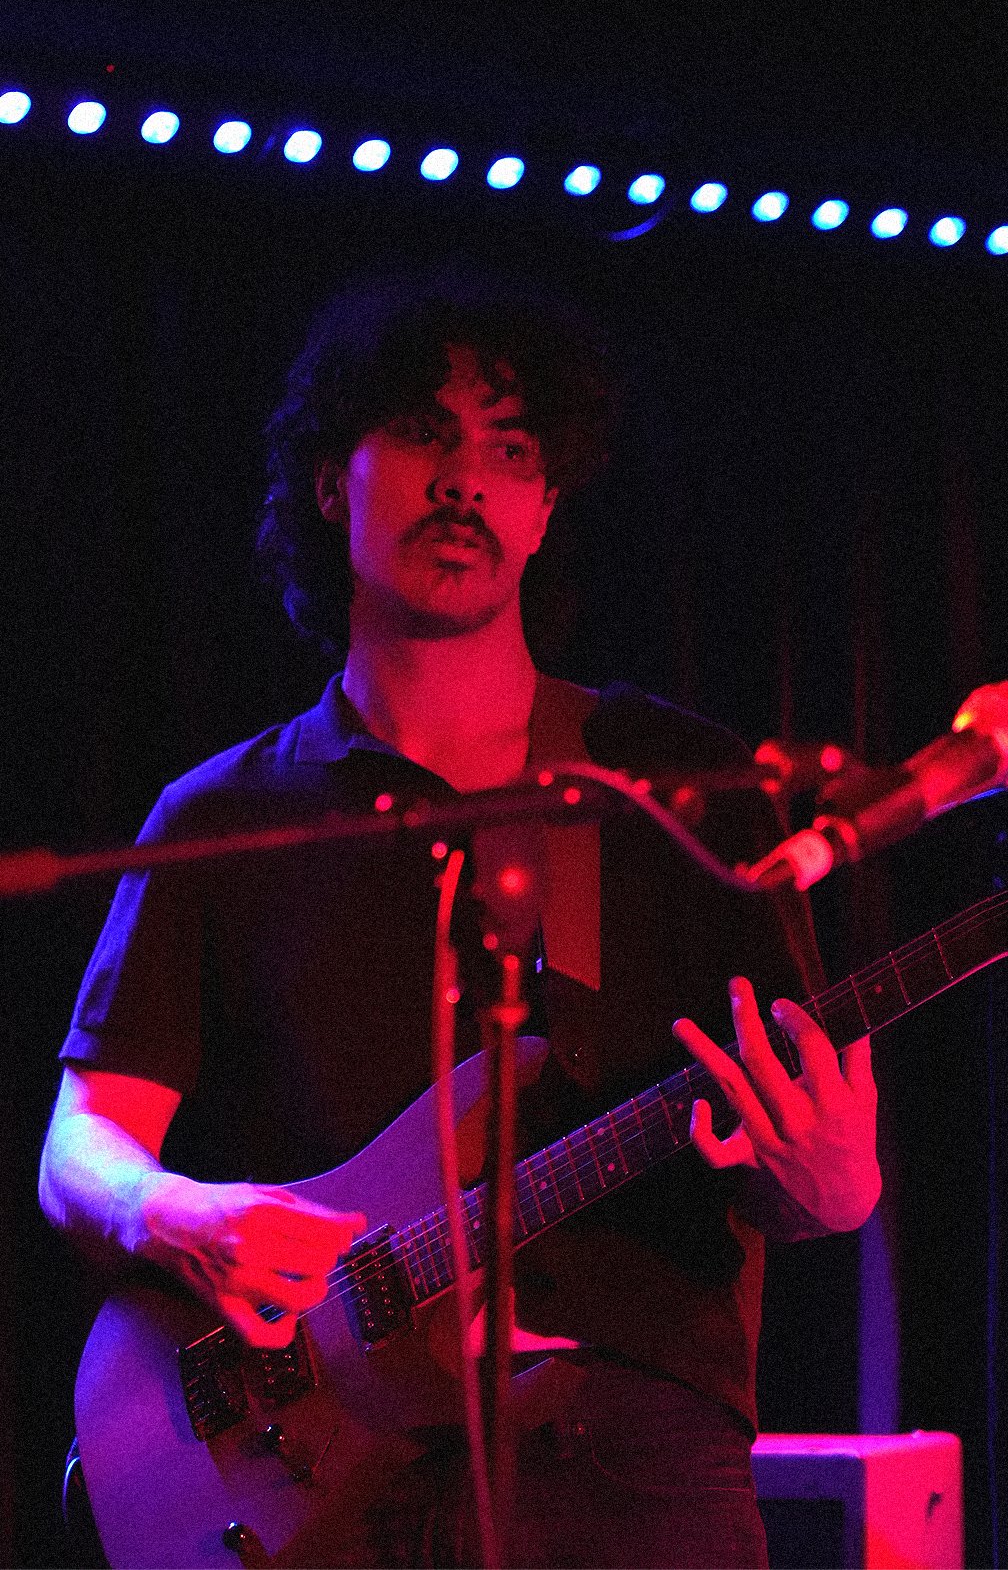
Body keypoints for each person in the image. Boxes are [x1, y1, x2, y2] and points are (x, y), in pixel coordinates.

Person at [40, 274, 881, 1568]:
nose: (465, 482)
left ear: (546, 509)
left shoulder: (681, 791)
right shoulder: (225, 815)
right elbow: (81, 1145)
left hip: (627, 1469)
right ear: (331, 484)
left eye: (510, 450)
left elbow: (812, 1175)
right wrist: (179, 1217)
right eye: (424, 434)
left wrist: (832, 1181)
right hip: (322, 1472)